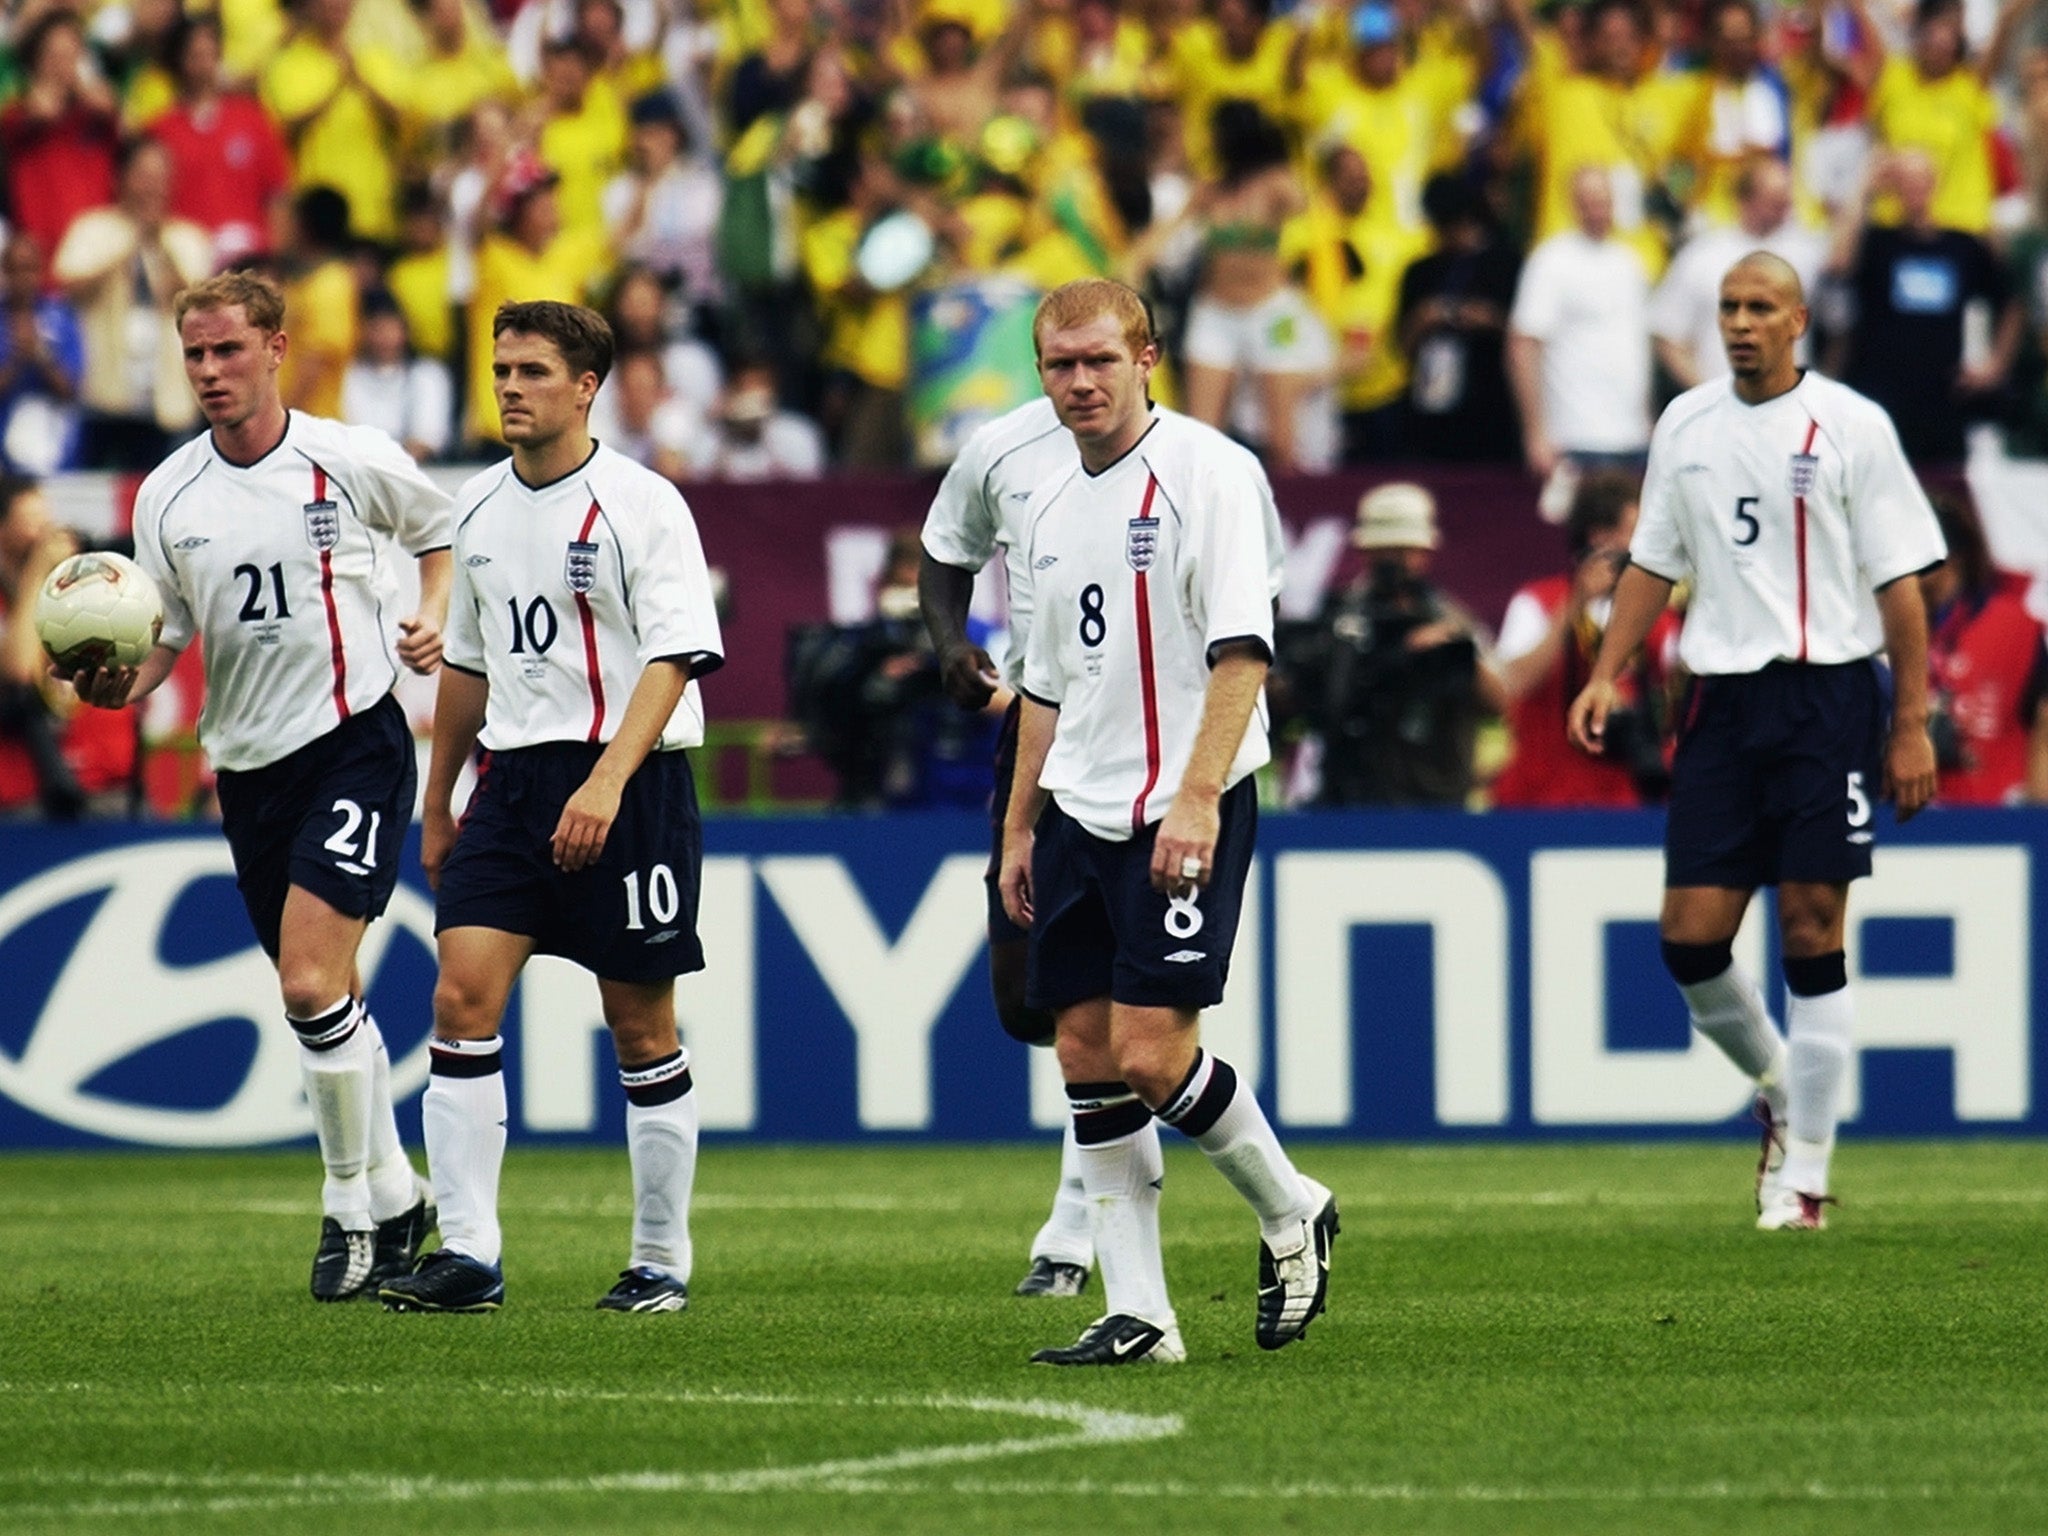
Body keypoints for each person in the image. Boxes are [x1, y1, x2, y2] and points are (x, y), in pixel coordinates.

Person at [67, 269, 448, 1296]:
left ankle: (346, 1214)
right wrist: (121, 683)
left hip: (355, 737)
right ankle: (401, 1192)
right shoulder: (168, 495)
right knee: (330, 1002)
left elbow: (441, 528)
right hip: (245, 764)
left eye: (228, 350)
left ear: (276, 348)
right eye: (194, 355)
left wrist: (437, 612)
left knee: (308, 983)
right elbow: (169, 634)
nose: (210, 372)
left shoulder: (347, 457)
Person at [1567, 251, 1945, 1231]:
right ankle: (1779, 1086)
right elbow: (1652, 559)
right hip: (1720, 704)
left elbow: (1901, 584)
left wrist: (1907, 722)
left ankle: (1805, 1176)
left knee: (1810, 927)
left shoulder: (1852, 426)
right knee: (1688, 941)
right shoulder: (1683, 422)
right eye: (1728, 306)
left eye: (1758, 306)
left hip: (1827, 698)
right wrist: (1607, 670)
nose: (1738, 321)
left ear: (1796, 321)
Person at [997, 277, 1335, 1365]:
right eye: (1059, 365)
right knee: (1086, 1054)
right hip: (1074, 808)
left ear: (1147, 357)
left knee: (1150, 1053)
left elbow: (1241, 647)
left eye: (1100, 359)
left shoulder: (1211, 473)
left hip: (1179, 800)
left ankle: (1290, 1207)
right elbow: (1042, 688)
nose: (1079, 382)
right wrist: (1016, 828)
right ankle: (1141, 1313)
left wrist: (1194, 797)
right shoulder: (1044, 504)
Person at [380, 299, 723, 1314]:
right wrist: (437, 800)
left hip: (633, 779)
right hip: (515, 780)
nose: (510, 389)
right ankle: (470, 1256)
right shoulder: (475, 508)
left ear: (585, 387)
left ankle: (659, 1260)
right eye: (500, 372)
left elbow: (674, 654)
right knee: (459, 999)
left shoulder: (642, 502)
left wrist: (608, 781)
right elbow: (469, 668)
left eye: (531, 371)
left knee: (639, 1025)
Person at [1281, 482, 1506, 806]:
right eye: (1385, 550)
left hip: (1434, 792)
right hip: (1351, 790)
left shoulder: (1451, 618)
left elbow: (1499, 702)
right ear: (1365, 551)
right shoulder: (1339, 618)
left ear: (1425, 553)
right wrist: (1366, 655)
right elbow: (1312, 699)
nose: (1396, 563)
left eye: (1405, 551)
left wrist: (1453, 652)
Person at [1493, 471, 1675, 808]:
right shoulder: (1538, 602)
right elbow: (1512, 684)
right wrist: (1574, 605)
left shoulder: (1656, 615)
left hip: (1628, 797)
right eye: (1634, 531)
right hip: (1543, 796)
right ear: (1600, 537)